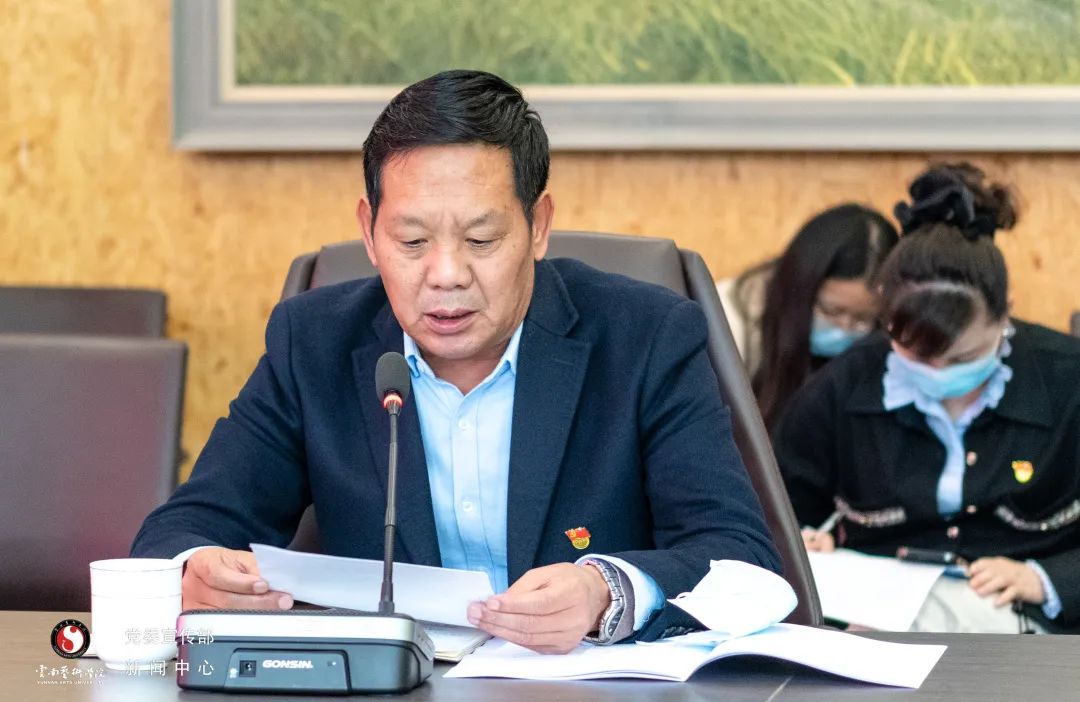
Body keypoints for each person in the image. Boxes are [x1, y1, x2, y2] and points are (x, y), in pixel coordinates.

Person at [131, 70, 779, 653]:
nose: (446, 274)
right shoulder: (314, 343)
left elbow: (741, 558)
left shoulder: (644, 337)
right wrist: (196, 571)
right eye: (412, 241)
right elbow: (183, 529)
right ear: (370, 231)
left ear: (538, 225)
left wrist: (605, 592)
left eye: (481, 239)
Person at [777, 162, 1080, 633]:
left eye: (963, 358)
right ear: (886, 320)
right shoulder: (844, 385)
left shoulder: (1067, 379)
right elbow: (779, 506)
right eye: (916, 355)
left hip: (1024, 621)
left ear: (1005, 315)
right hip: (871, 612)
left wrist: (1049, 579)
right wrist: (806, 540)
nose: (938, 374)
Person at [717, 205, 899, 430]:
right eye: (832, 311)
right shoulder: (729, 322)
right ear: (800, 291)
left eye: (863, 318)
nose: (845, 327)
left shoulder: (893, 339)